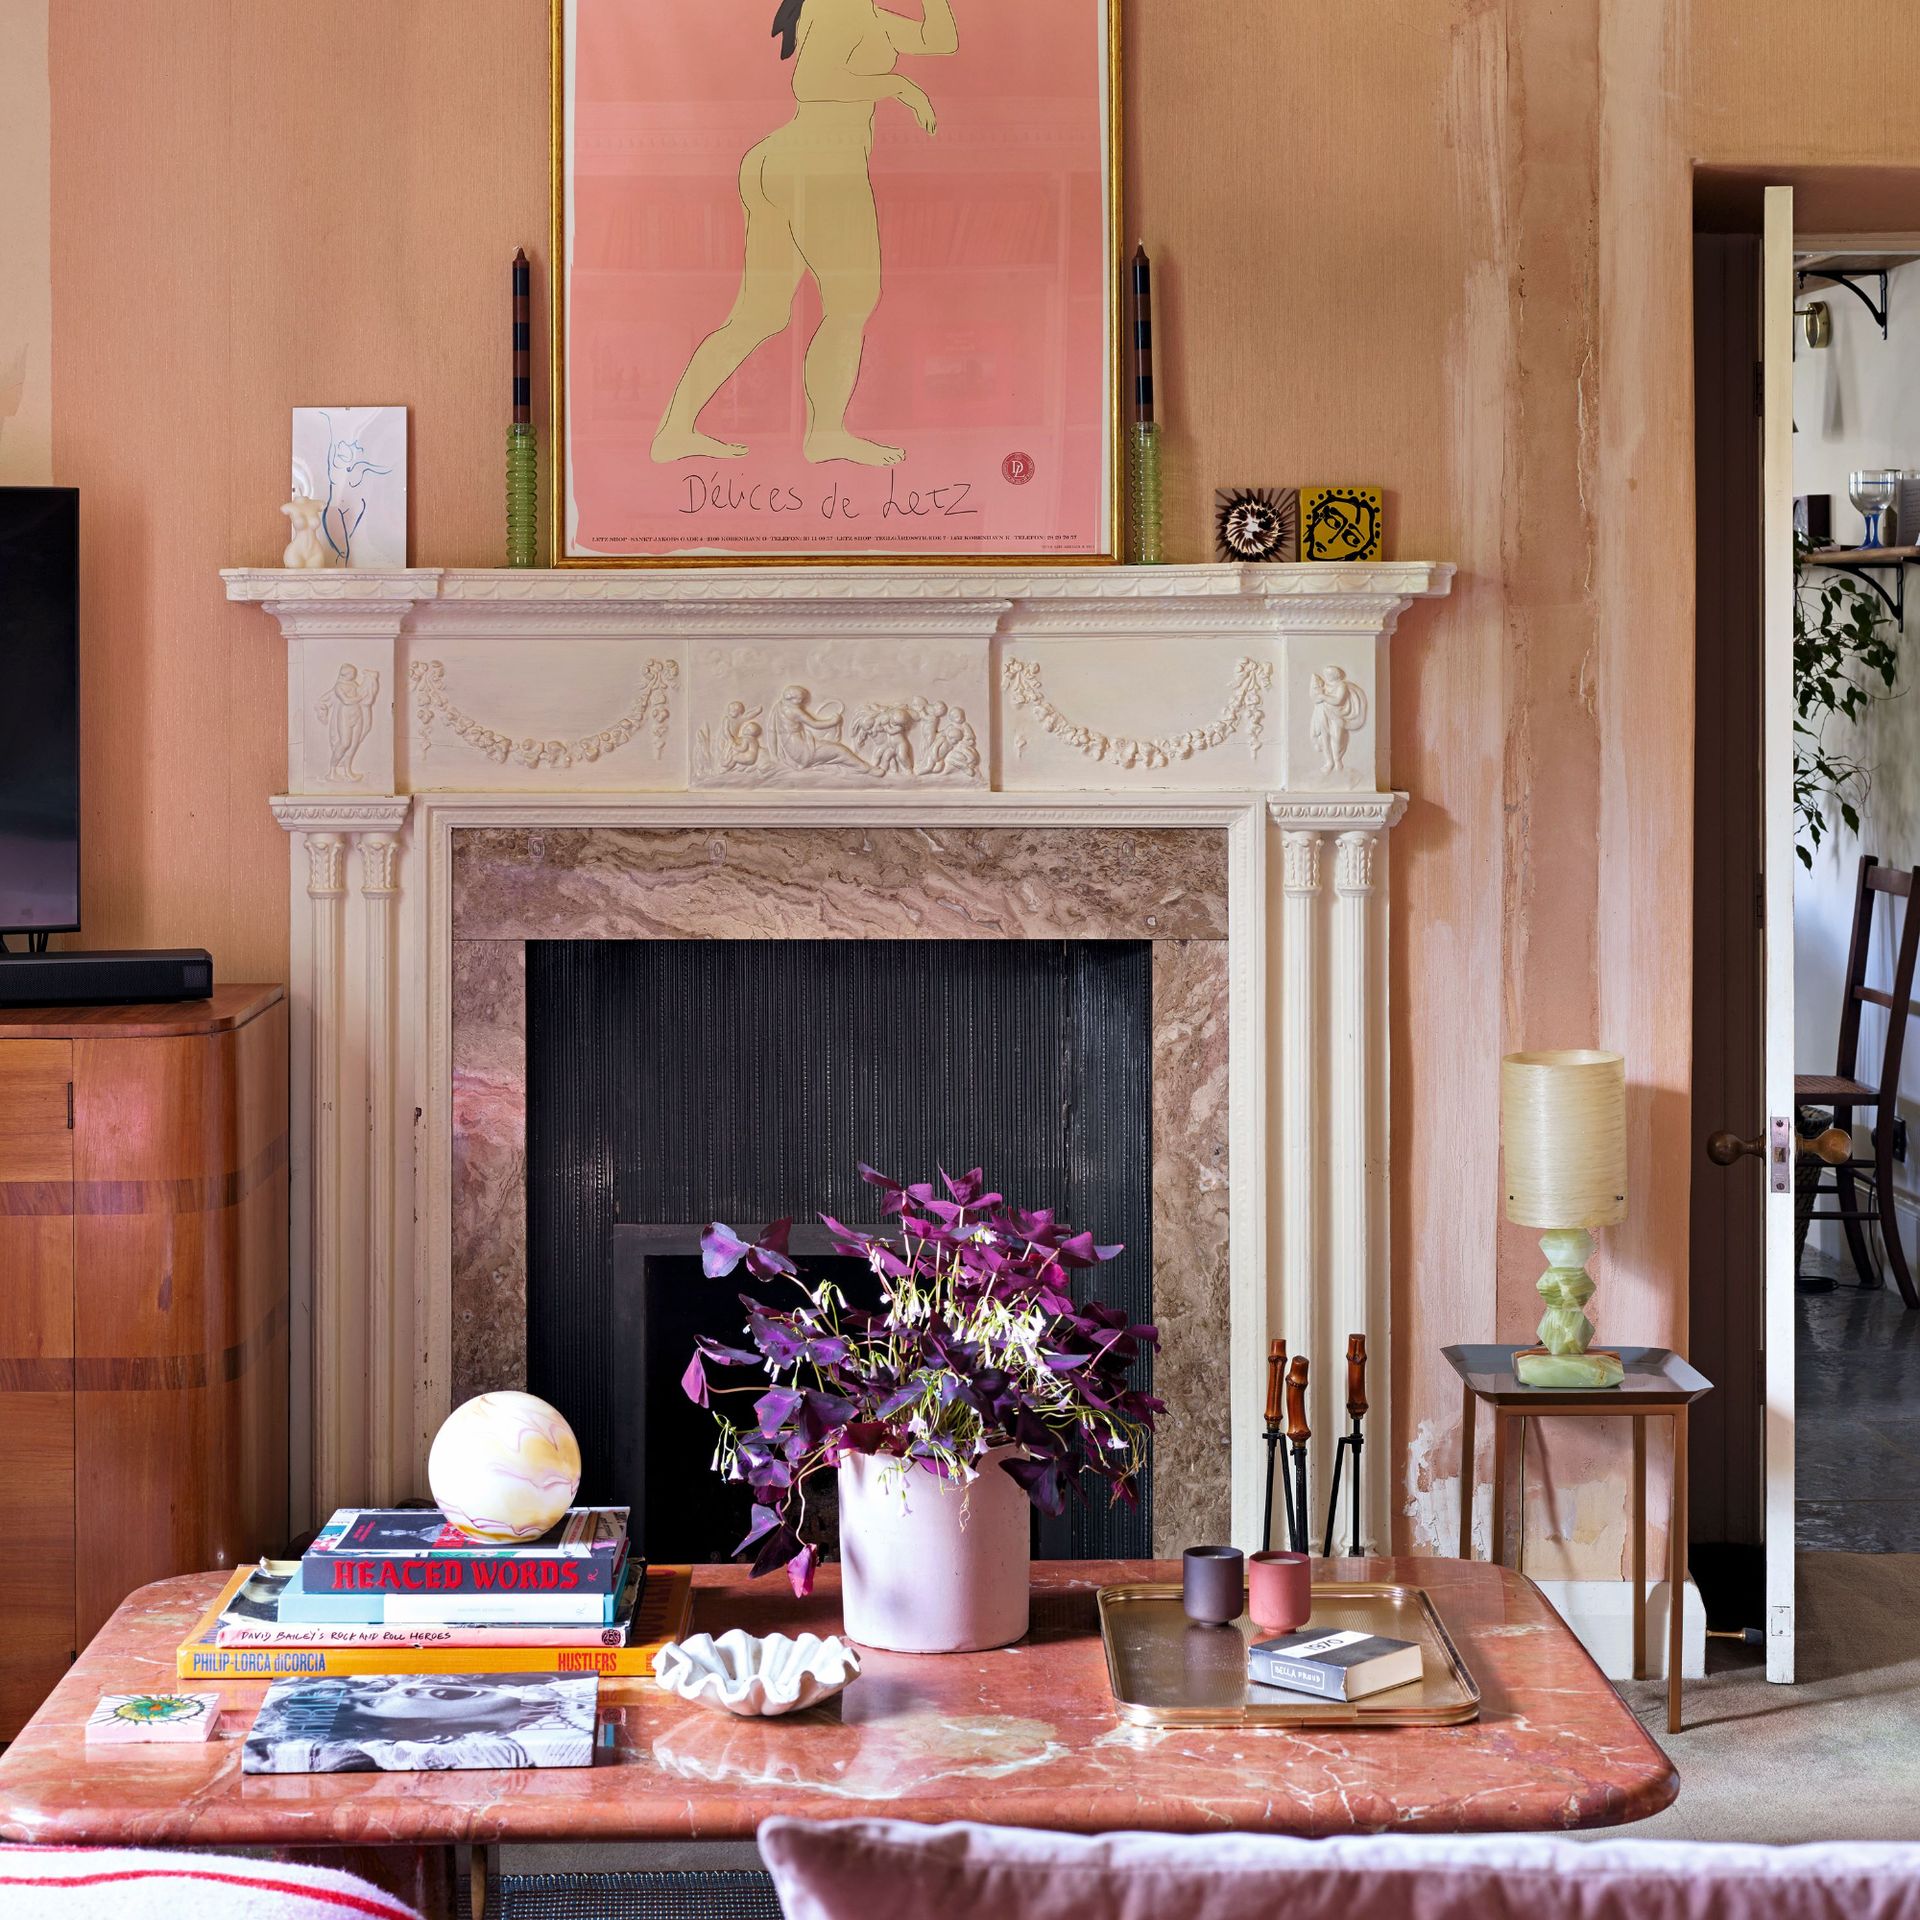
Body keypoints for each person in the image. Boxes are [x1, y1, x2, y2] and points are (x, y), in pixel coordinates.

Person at [653, 0, 958, 467]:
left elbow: (939, 42)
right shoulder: (845, 7)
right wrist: (901, 87)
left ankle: (674, 430)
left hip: (780, 161)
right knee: (852, 302)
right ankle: (827, 433)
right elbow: (812, 83)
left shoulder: (865, 15)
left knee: (758, 316)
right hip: (822, 164)